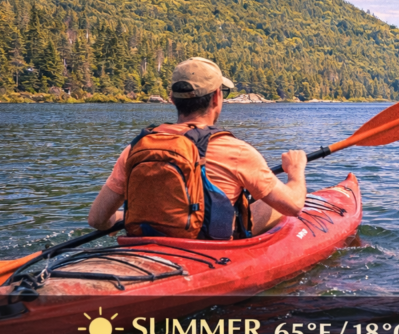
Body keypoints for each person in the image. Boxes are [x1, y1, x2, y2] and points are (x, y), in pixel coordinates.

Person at [87, 57, 306, 237]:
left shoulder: (137, 149)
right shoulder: (238, 152)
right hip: (208, 251)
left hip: (148, 244)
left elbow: (97, 220)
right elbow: (293, 206)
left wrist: (127, 218)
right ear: (217, 98)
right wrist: (295, 172)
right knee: (272, 204)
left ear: (172, 98)